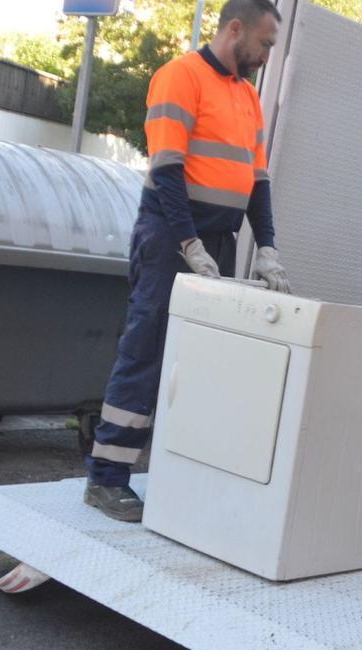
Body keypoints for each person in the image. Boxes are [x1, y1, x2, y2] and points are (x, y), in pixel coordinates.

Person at [83, 0, 291, 522]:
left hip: (215, 243)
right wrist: (188, 245)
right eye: (264, 43)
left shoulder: (248, 98)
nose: (267, 54)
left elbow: (257, 181)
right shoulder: (180, 77)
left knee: (200, 363)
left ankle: (177, 475)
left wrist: (265, 246)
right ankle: (106, 479)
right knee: (146, 353)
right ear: (235, 29)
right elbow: (169, 170)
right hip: (170, 239)